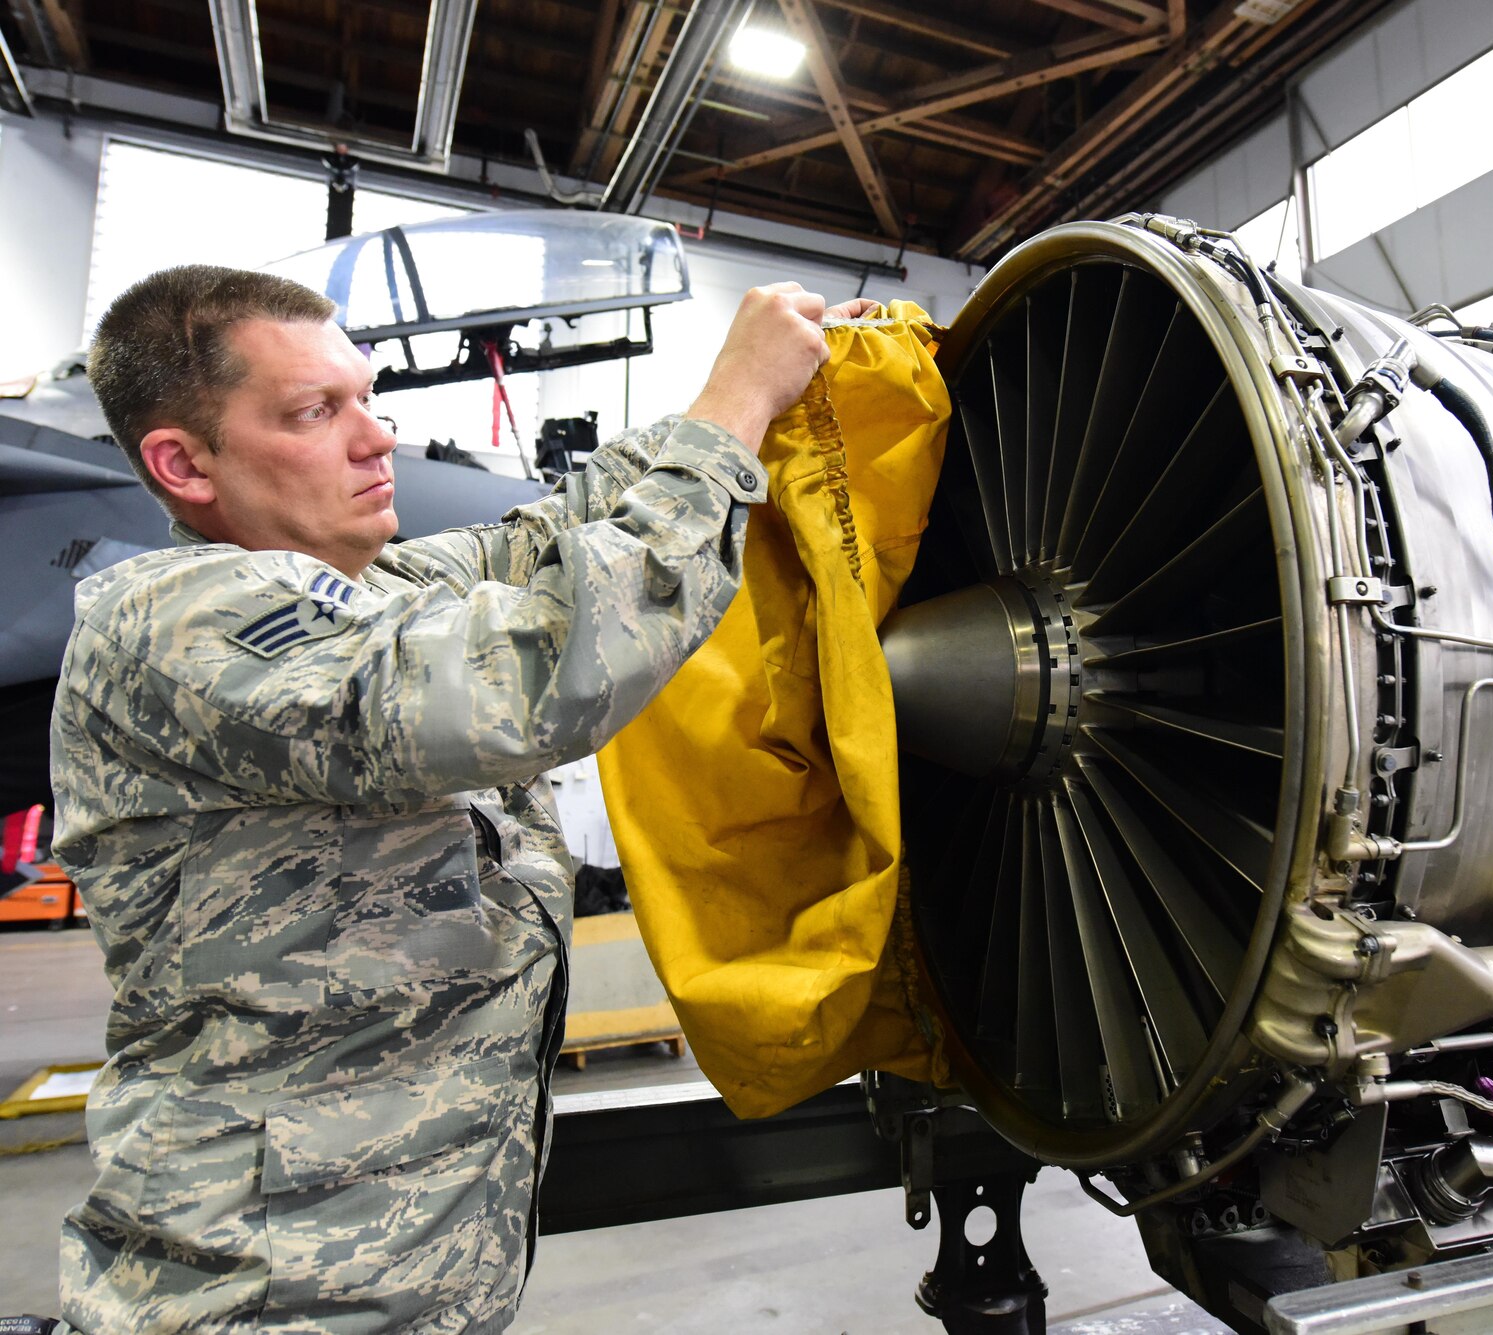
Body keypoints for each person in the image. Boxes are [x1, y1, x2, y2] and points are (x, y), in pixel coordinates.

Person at [45, 263, 876, 1333]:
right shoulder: (178, 625)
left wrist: (759, 390)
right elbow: (543, 677)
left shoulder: (368, 590)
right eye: (313, 412)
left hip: (399, 1268)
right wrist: (733, 411)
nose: (375, 436)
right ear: (182, 463)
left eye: (365, 398)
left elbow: (554, 534)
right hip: (265, 1293)